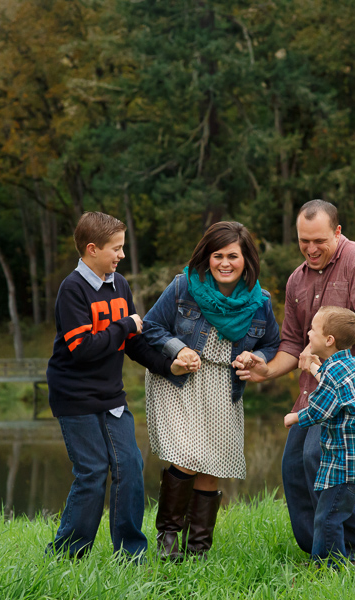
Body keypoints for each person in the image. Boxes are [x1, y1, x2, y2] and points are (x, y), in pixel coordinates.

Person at [234, 199, 355, 563]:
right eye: (303, 241)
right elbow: (292, 341)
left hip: (353, 391)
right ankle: (323, 548)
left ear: (337, 232)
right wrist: (266, 369)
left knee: (316, 460)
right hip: (315, 390)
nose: (310, 248)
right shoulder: (297, 279)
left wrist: (320, 347)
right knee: (294, 469)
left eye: (319, 240)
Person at [45, 211, 190, 561]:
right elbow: (83, 349)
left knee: (129, 465)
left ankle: (131, 555)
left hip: (110, 395)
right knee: (92, 473)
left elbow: (133, 342)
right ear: (92, 249)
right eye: (117, 249)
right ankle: (66, 554)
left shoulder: (119, 285)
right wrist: (125, 325)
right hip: (74, 396)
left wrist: (168, 365)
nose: (122, 255)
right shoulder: (73, 290)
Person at [142, 221, 281, 560]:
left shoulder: (260, 301)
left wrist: (256, 356)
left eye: (232, 256)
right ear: (207, 256)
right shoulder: (183, 286)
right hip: (179, 381)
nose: (224, 263)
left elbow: (272, 343)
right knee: (188, 456)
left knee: (213, 464)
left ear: (246, 258)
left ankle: (198, 549)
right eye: (217, 255)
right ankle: (167, 540)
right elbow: (151, 326)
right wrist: (177, 349)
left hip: (224, 385)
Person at [283, 306, 355, 566]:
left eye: (313, 330)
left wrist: (294, 417)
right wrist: (313, 368)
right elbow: (332, 382)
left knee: (327, 517)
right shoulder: (348, 363)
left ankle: (329, 567)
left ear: (328, 340)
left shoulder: (334, 374)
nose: (308, 333)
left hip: (348, 464)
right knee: (334, 512)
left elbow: (320, 410)